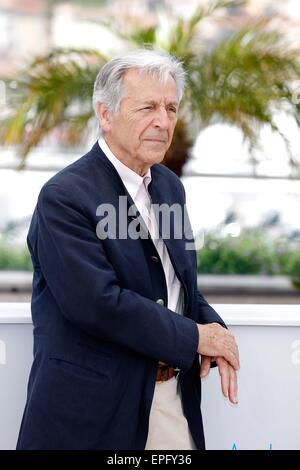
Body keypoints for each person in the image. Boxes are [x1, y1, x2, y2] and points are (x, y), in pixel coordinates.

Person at [16, 49, 239, 450]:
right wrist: (195, 338)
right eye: (148, 107)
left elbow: (179, 283)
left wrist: (214, 329)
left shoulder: (170, 187)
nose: (163, 121)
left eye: (171, 108)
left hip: (174, 402)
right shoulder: (64, 197)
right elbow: (98, 305)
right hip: (92, 415)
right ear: (106, 114)